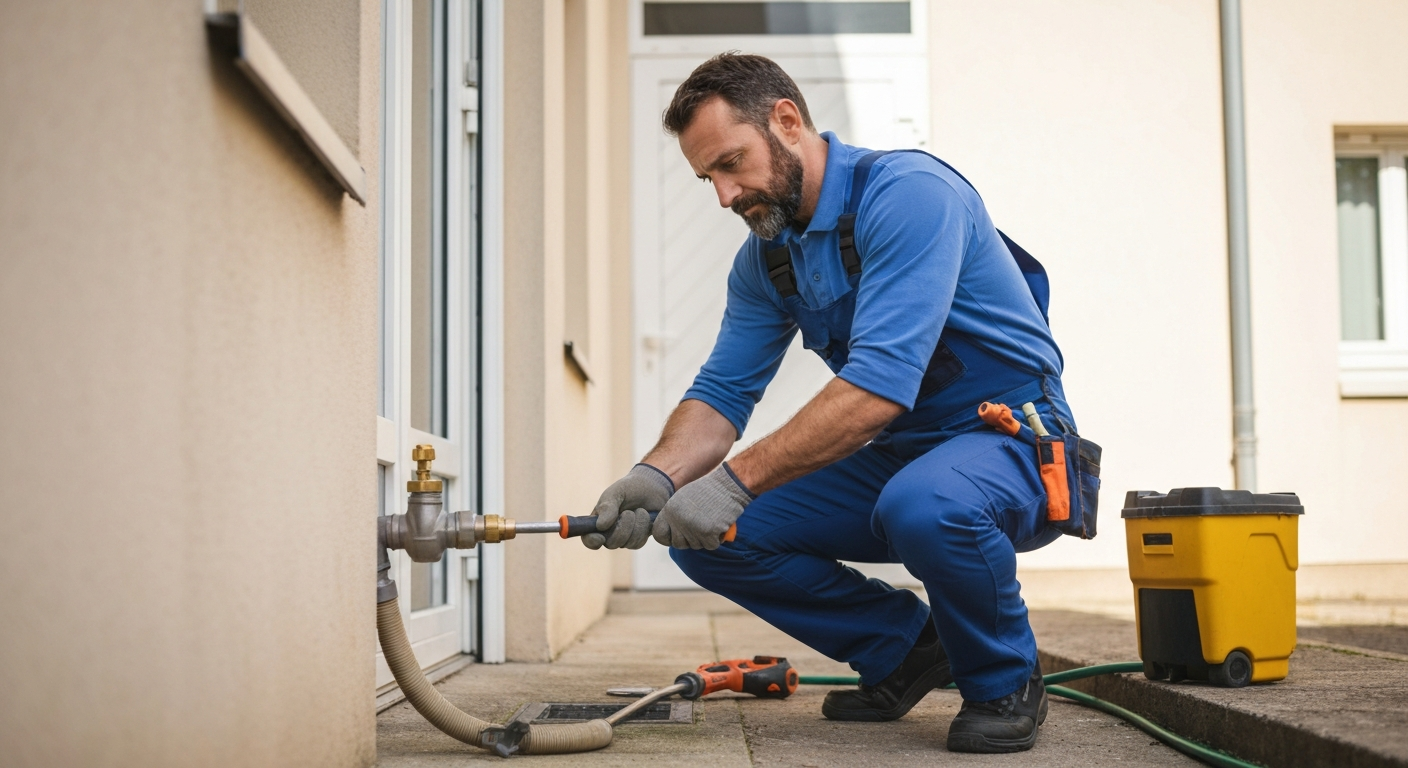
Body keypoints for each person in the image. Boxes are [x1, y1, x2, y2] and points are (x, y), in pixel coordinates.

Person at [584, 52, 1079, 754]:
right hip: (909, 456)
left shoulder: (909, 195)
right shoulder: (767, 259)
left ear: (786, 120)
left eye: (731, 163)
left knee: (924, 504)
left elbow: (879, 385)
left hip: (1010, 442)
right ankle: (908, 648)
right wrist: (657, 477)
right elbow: (723, 392)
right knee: (710, 535)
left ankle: (1005, 676)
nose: (724, 196)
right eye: (708, 179)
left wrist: (732, 480)